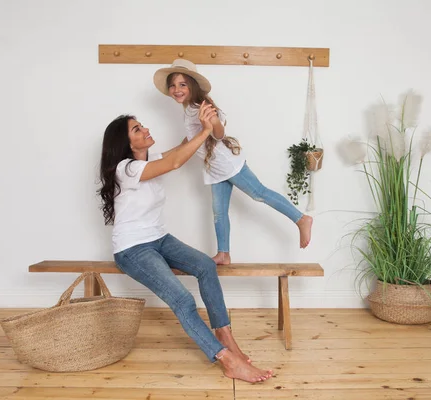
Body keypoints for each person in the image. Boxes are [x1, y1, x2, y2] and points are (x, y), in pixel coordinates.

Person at [97, 111, 272, 383]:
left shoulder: (151, 159)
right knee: (182, 300)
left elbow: (179, 149)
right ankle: (226, 360)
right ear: (127, 144)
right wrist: (203, 131)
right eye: (136, 130)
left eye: (142, 125)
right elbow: (177, 161)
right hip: (133, 250)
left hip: (159, 239)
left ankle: (225, 334)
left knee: (205, 265)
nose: (145, 129)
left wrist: (198, 118)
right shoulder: (127, 169)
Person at [152, 59, 314, 265]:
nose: (176, 89)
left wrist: (210, 124)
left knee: (259, 193)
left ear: (192, 85)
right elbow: (192, 138)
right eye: (173, 85)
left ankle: (301, 219)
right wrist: (170, 152)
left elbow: (219, 133)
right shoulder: (190, 109)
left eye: (182, 84)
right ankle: (224, 253)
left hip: (227, 163)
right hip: (214, 167)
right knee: (219, 211)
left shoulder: (201, 107)